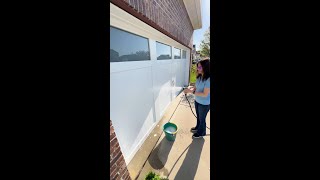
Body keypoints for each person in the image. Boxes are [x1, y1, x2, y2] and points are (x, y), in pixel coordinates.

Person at [184, 59, 210, 138]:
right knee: (198, 116)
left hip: (204, 104)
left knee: (202, 119)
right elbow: (195, 87)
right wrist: (191, 89)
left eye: (200, 67)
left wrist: (191, 92)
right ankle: (198, 128)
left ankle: (201, 133)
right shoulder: (199, 76)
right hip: (197, 101)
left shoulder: (208, 80)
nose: (197, 69)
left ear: (206, 68)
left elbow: (205, 94)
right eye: (197, 67)